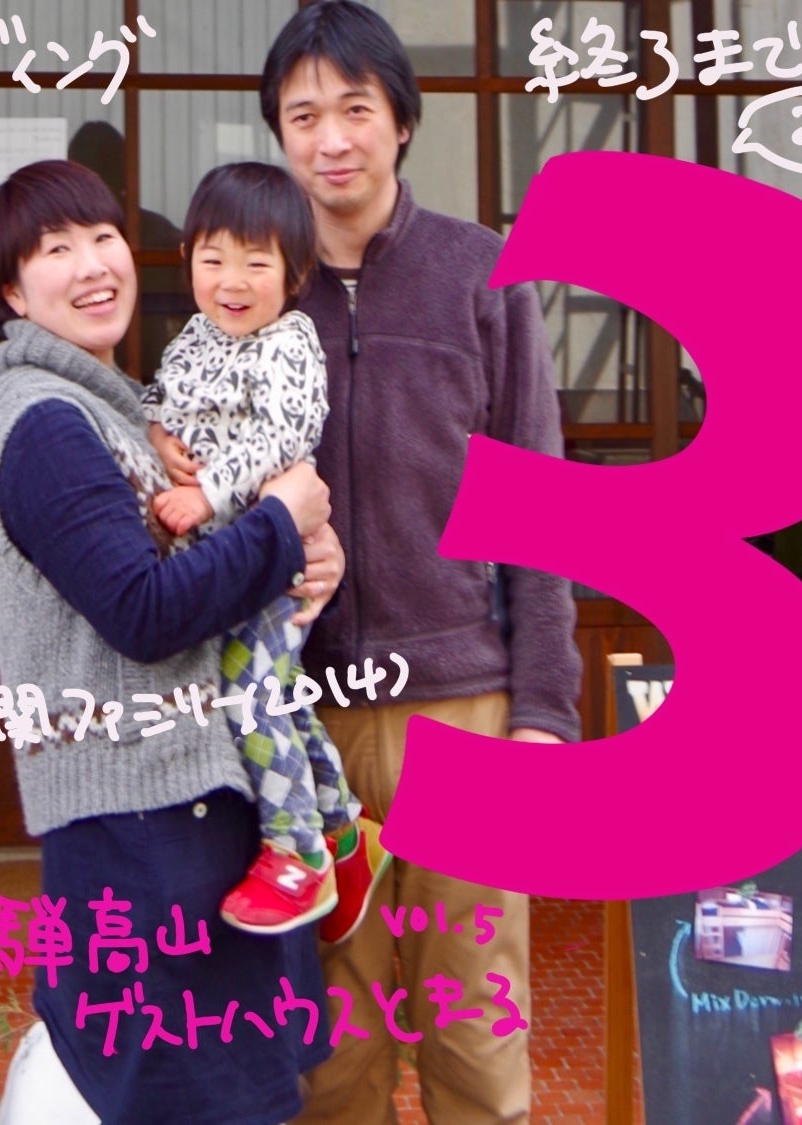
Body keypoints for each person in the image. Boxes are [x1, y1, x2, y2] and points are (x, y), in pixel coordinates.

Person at [258, 4, 584, 1123]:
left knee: (476, 1034)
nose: (330, 139)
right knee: (329, 1049)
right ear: (279, 135)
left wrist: (544, 713)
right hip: (304, 721)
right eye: (303, 115)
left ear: (400, 121)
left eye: (354, 109)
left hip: (464, 709)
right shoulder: (255, 285)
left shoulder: (479, 272)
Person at [0, 158, 345, 1125]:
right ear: (13, 292)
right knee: (181, 1096)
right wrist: (284, 517)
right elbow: (142, 612)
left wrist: (304, 544)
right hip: (140, 830)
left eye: (102, 237)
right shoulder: (46, 426)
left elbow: (215, 551)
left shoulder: (118, 408)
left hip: (189, 808)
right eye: (56, 250)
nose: (93, 264)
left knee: (229, 1094)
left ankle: (329, 819)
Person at [141, 160, 392, 942]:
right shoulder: (193, 338)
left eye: (256, 263)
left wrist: (206, 493)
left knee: (252, 694)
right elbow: (161, 399)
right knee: (273, 694)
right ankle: (343, 830)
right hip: (224, 562)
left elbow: (282, 440)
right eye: (213, 258)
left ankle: (296, 851)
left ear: (296, 273)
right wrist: (156, 432)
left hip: (275, 562)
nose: (232, 281)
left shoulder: (289, 342)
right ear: (187, 259)